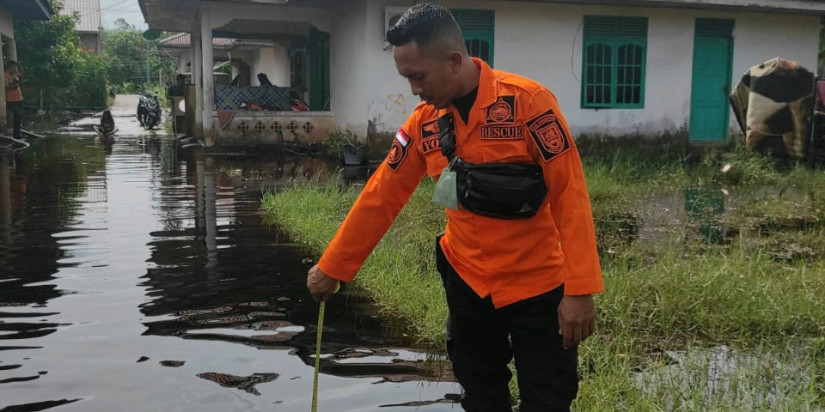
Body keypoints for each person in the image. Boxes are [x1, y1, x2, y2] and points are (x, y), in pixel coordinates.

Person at [306, 3, 604, 411]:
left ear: (454, 60)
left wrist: (580, 291)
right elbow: (381, 195)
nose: (414, 89)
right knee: (481, 397)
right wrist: (333, 267)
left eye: (418, 76)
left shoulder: (528, 105)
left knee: (549, 399)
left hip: (538, 287)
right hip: (467, 285)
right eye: (406, 78)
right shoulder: (423, 125)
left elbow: (571, 194)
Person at [4, 61, 24, 139]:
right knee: (17, 115)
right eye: (14, 67)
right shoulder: (6, 75)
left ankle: (18, 132)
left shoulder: (15, 75)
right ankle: (16, 134)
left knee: (19, 116)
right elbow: (6, 87)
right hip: (10, 99)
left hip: (18, 98)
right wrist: (13, 86)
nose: (15, 69)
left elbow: (21, 73)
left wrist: (18, 65)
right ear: (9, 68)